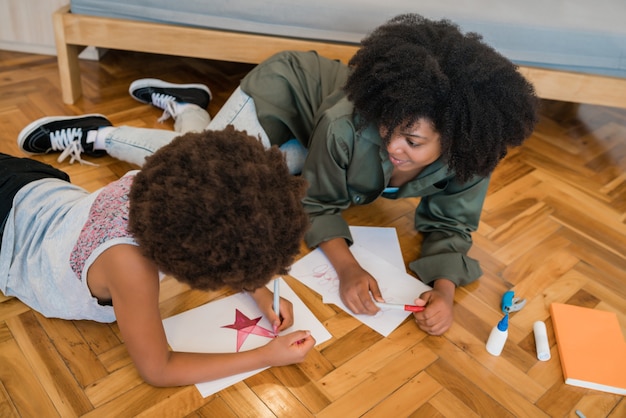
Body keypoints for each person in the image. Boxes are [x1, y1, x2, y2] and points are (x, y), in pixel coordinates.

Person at [17, 13, 539, 336]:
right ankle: (100, 136)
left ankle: (188, 103)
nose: (392, 146)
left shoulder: (473, 155)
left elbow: (453, 225)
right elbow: (317, 203)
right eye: (387, 128)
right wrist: (348, 268)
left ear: (458, 140)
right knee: (200, 169)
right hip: (282, 96)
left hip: (311, 135)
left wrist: (444, 290)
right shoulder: (346, 126)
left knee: (210, 160)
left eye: (413, 141)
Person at [1, 128, 316, 387]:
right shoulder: (130, 266)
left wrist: (259, 292)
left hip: (33, 185)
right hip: (10, 233)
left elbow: (228, 218)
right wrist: (266, 356)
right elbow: (158, 370)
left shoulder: (164, 186)